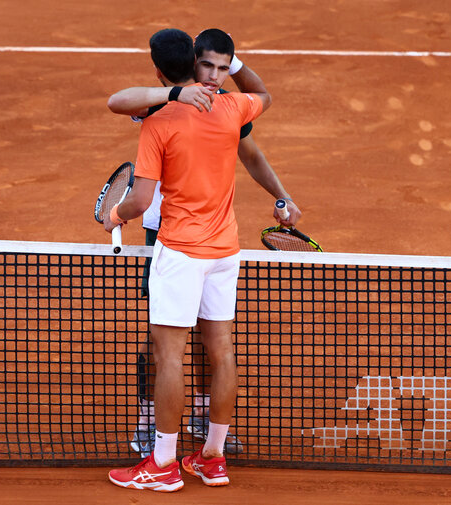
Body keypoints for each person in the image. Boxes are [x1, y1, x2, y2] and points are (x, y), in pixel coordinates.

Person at [108, 29, 301, 460]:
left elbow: (249, 153)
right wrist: (178, 91)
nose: (215, 74)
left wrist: (280, 195)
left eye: (223, 67)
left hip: (209, 240)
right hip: (166, 232)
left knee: (202, 338)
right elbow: (118, 101)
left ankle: (198, 414)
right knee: (163, 341)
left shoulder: (226, 103)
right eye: (208, 66)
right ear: (192, 63)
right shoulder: (159, 102)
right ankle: (149, 420)